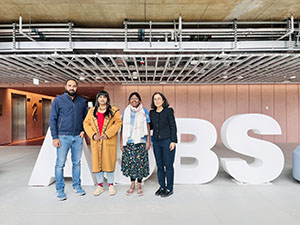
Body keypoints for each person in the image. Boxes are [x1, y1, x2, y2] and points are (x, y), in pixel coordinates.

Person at [49, 79, 88, 201]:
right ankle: (60, 189)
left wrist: (84, 130)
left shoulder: (82, 101)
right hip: (62, 136)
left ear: (77, 87)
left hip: (77, 137)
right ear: (65, 86)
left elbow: (86, 119)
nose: (72, 88)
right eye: (70, 85)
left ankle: (77, 186)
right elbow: (52, 119)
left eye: (74, 86)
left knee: (76, 163)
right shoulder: (58, 100)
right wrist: (55, 137)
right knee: (60, 164)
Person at [83, 90, 122, 196]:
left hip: (108, 141)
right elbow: (86, 124)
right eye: (100, 97)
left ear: (107, 99)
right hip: (96, 141)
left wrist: (108, 133)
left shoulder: (114, 111)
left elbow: (118, 123)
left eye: (104, 97)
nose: (102, 99)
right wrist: (92, 134)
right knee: (97, 164)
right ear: (97, 99)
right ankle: (99, 186)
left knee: (108, 163)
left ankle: (111, 185)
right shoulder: (92, 111)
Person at [120, 92, 151, 196]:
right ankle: (132, 185)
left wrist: (148, 141)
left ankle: (139, 186)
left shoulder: (144, 111)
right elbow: (123, 127)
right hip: (129, 142)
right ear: (129, 101)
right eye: (132, 98)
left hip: (141, 141)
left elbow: (147, 126)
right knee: (131, 165)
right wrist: (121, 142)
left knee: (140, 165)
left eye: (136, 98)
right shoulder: (126, 111)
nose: (134, 100)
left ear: (139, 100)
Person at [150, 92, 177, 197]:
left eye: (158, 98)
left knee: (168, 166)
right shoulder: (152, 112)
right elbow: (151, 126)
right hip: (156, 142)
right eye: (155, 99)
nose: (156, 101)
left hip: (167, 142)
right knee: (160, 166)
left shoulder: (169, 111)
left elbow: (173, 126)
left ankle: (169, 188)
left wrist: (173, 141)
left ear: (163, 100)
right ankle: (162, 186)